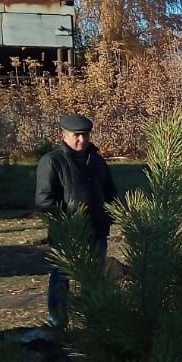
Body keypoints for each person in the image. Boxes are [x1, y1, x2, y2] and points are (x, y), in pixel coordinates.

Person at [35, 113, 118, 327]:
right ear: (63, 135)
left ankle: (93, 327)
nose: (82, 140)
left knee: (93, 279)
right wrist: (68, 221)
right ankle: (58, 324)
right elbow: (44, 201)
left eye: (86, 135)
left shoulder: (97, 161)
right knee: (61, 278)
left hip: (97, 231)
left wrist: (110, 215)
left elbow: (111, 194)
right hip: (67, 233)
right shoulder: (52, 161)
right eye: (76, 135)